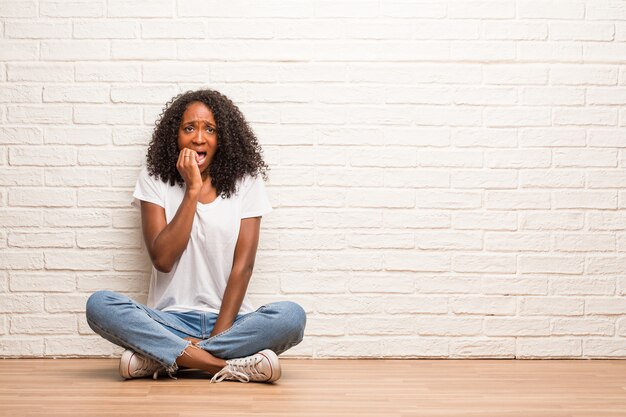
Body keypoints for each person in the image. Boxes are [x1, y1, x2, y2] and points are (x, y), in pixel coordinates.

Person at [85, 89, 306, 383]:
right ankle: (223, 365)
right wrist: (192, 189)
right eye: (189, 128)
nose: (199, 138)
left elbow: (243, 268)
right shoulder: (154, 178)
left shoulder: (247, 182)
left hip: (231, 324)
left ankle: (164, 357)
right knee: (99, 305)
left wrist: (221, 333)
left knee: (291, 317)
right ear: (175, 135)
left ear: (223, 138)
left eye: (210, 129)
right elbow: (162, 259)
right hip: (168, 320)